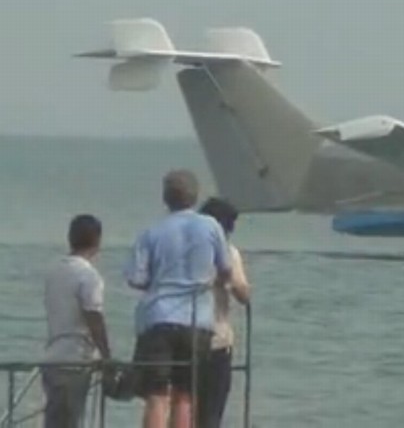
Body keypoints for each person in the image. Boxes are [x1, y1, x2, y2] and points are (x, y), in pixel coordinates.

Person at [124, 170, 232, 428]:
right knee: (186, 394)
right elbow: (225, 269)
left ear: (165, 198)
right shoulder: (210, 227)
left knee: (156, 396)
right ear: (195, 196)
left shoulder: (151, 232)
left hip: (158, 317)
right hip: (198, 319)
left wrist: (158, 281)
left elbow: (135, 278)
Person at [42, 214, 112, 428]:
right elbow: (94, 317)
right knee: (68, 420)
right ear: (97, 242)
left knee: (55, 419)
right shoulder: (88, 276)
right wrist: (107, 355)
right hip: (75, 359)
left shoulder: (54, 271)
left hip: (52, 356)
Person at [196, 197, 251, 428]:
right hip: (216, 340)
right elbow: (243, 295)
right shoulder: (228, 252)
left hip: (180, 335)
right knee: (211, 410)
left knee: (181, 403)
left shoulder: (184, 250)